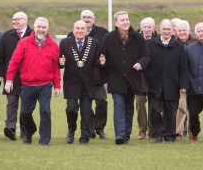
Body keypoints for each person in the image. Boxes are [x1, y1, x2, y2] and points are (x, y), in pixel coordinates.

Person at [5, 17, 61, 145]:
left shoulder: (53, 46)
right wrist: (9, 80)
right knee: (25, 113)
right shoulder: (23, 43)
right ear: (34, 28)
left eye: (44, 27)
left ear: (47, 29)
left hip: (45, 85)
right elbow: (14, 62)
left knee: (45, 111)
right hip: (27, 85)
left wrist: (57, 86)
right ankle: (30, 130)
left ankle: (44, 140)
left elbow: (56, 68)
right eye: (39, 27)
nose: (41, 29)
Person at [99, 11, 150, 145]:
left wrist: (140, 63)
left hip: (133, 80)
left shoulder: (138, 38)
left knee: (129, 108)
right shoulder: (108, 38)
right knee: (119, 106)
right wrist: (102, 64)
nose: (126, 22)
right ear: (116, 23)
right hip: (115, 80)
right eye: (122, 20)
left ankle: (126, 135)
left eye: (127, 19)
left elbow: (146, 56)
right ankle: (120, 135)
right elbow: (101, 57)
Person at [145, 19, 189, 143]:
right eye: (164, 29)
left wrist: (183, 84)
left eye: (168, 29)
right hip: (154, 85)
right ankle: (158, 134)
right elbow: (146, 65)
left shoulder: (178, 47)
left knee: (170, 112)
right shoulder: (151, 45)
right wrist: (149, 78)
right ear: (160, 29)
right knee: (155, 110)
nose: (166, 31)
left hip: (172, 85)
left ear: (172, 30)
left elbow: (183, 68)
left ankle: (169, 135)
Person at [67, 10, 109, 139]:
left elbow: (107, 56)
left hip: (99, 76)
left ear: (93, 19)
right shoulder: (71, 35)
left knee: (101, 101)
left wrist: (107, 78)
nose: (86, 19)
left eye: (89, 17)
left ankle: (100, 128)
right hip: (81, 79)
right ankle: (89, 129)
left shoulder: (103, 33)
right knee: (86, 105)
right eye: (83, 17)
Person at [60, 20, 102, 144]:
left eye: (82, 28)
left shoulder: (94, 43)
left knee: (86, 111)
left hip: (88, 83)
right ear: (73, 30)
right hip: (71, 82)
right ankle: (71, 129)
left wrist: (101, 63)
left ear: (87, 30)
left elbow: (97, 62)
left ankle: (84, 136)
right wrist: (60, 63)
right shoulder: (65, 43)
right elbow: (60, 61)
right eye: (77, 28)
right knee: (71, 108)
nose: (79, 31)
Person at [0, 12, 33, 141]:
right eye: (13, 19)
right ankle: (10, 128)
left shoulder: (33, 35)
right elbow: (0, 56)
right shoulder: (6, 35)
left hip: (28, 76)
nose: (14, 22)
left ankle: (24, 130)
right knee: (11, 103)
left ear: (25, 20)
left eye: (17, 19)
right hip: (10, 76)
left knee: (26, 105)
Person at [175, 19, 196, 140]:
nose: (182, 32)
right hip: (178, 82)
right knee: (181, 107)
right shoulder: (173, 44)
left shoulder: (196, 44)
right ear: (176, 31)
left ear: (189, 30)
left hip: (193, 82)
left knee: (193, 110)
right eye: (180, 30)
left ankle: (193, 132)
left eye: (184, 30)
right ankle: (179, 132)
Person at [136, 17, 157, 140]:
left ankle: (153, 131)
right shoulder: (135, 39)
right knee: (140, 103)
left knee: (154, 106)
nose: (147, 29)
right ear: (141, 27)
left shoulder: (158, 39)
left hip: (154, 79)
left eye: (149, 27)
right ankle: (142, 129)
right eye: (145, 27)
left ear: (153, 28)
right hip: (139, 79)